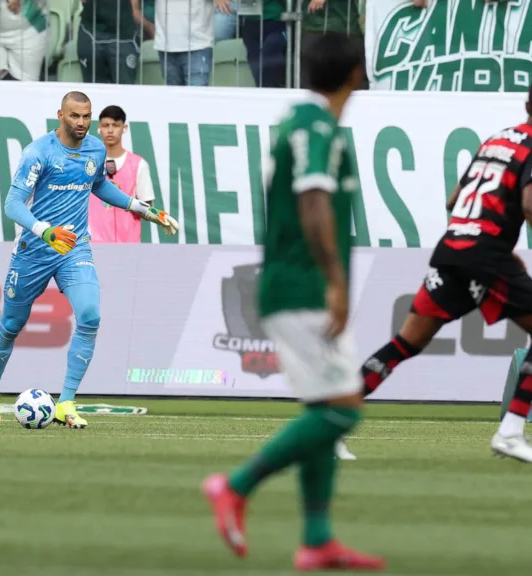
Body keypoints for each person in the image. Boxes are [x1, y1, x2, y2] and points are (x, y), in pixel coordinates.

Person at [201, 32, 385, 571]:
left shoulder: (294, 122)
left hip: (291, 282)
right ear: (355, 73)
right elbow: (312, 202)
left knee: (324, 408)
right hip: (305, 286)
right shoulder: (320, 129)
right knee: (344, 410)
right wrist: (335, 281)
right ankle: (235, 486)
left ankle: (317, 538)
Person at [341, 73, 532, 465]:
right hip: (484, 254)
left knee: (404, 344)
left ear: (526, 106)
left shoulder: (497, 139)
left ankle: (331, 428)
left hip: (453, 247)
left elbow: (455, 198)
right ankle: (511, 431)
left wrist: (495, 241)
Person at [0, 91, 179, 429]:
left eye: (87, 117)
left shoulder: (95, 149)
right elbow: (12, 205)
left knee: (90, 315)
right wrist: (45, 232)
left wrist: (144, 210)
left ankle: (66, 402)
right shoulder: (38, 152)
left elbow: (99, 185)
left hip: (74, 247)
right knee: (11, 326)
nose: (82, 123)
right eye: (75, 116)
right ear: (61, 115)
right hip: (35, 249)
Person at [89, 105, 155, 243]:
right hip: (92, 247)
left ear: (124, 128)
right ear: (99, 128)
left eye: (116, 125)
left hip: (128, 248)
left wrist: (122, 198)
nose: (110, 130)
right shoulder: (88, 163)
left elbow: (148, 211)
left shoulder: (139, 165)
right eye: (106, 125)